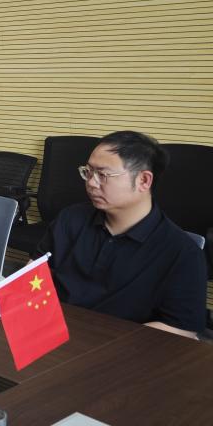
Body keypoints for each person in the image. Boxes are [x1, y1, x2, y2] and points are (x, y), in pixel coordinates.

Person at [40, 131, 206, 339]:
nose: (91, 183)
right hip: (51, 334)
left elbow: (181, 329)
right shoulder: (70, 219)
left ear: (144, 180)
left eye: (103, 175)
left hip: (120, 349)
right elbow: (32, 276)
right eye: (88, 172)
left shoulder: (182, 253)